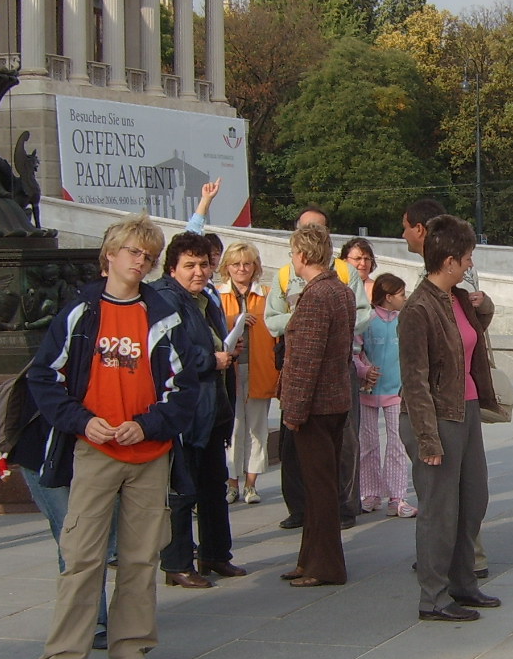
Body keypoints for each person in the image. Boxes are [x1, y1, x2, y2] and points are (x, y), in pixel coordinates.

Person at [19, 214, 205, 659]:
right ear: (110, 255)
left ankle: (131, 649)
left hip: (149, 452)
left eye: (148, 256)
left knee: (141, 558)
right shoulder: (81, 310)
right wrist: (81, 421)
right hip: (95, 450)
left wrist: (148, 424)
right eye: (133, 252)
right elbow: (44, 377)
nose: (140, 261)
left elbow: (184, 390)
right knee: (81, 557)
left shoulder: (163, 314)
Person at [399, 215, 503, 621]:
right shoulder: (418, 308)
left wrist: (484, 304)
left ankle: (463, 583)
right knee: (439, 510)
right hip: (436, 418)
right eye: (467, 257)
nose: (471, 263)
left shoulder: (457, 298)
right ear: (449, 261)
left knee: (473, 500)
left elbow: (472, 337)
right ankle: (434, 597)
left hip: (467, 410)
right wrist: (428, 438)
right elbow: (415, 379)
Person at [265, 206, 370, 531]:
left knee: (343, 441)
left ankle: (342, 507)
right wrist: (302, 320)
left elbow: (361, 315)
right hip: (296, 361)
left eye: (317, 230)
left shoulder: (342, 275)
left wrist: (315, 322)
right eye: (305, 229)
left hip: (336, 365)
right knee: (293, 446)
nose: (311, 236)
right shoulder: (285, 274)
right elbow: (272, 321)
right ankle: (299, 508)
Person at [151, 232, 240, 587]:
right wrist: (210, 359)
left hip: (212, 405)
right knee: (182, 489)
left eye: (203, 264)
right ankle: (177, 564)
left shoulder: (204, 298)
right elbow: (170, 352)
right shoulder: (164, 297)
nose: (199, 272)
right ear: (172, 268)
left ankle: (215, 555)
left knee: (213, 484)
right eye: (190, 265)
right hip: (185, 410)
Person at [277, 222, 356, 588]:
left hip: (316, 408)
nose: (292, 259)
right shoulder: (341, 291)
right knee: (317, 486)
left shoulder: (316, 296)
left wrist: (293, 412)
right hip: (335, 401)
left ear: (303, 255)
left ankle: (325, 566)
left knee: (319, 489)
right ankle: (309, 559)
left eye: (293, 253)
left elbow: (306, 360)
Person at [217, 241, 275, 504]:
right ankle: (232, 484)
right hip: (229, 369)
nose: (242, 269)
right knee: (233, 427)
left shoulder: (266, 294)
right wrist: (235, 321)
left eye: (247, 264)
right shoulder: (217, 295)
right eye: (236, 264)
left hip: (260, 367)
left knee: (257, 428)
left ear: (255, 266)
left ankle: (251, 484)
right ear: (227, 267)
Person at [359, 272, 416, 517]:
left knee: (397, 444)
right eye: (402, 294)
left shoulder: (406, 321)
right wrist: (364, 371)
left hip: (397, 392)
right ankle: (370, 493)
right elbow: (354, 351)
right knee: (368, 445)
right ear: (389, 297)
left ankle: (397, 497)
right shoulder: (366, 320)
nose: (405, 298)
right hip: (366, 391)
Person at [340, 237, 378, 302]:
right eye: (358, 259)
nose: (363, 263)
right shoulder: (333, 287)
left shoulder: (377, 289)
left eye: (366, 259)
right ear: (345, 261)